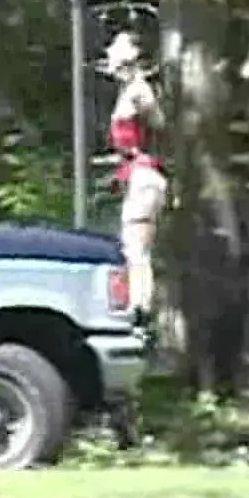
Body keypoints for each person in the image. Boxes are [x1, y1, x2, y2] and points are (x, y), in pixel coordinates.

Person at [101, 30, 166, 325]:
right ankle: (137, 306)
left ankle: (141, 309)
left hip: (145, 177)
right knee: (131, 245)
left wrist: (140, 153)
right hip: (137, 175)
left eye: (115, 50)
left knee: (136, 246)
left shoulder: (139, 91)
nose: (108, 54)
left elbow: (158, 125)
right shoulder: (130, 92)